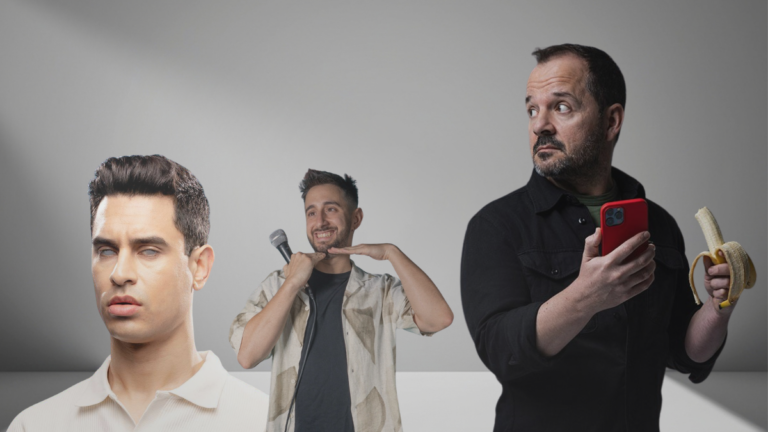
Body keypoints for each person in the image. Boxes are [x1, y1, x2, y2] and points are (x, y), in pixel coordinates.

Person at [460, 44, 734, 431]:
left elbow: (683, 353)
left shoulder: (659, 224)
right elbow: (500, 352)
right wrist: (585, 296)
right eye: (532, 110)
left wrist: (718, 309)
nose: (539, 126)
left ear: (611, 122)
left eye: (561, 107)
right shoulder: (496, 225)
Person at [8, 155, 268, 431]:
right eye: (106, 251)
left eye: (149, 251)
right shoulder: (34, 425)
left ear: (199, 267)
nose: (119, 274)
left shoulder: (266, 422)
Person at [230, 169, 453, 432]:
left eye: (331, 209)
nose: (320, 221)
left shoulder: (380, 291)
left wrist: (392, 253)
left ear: (356, 218)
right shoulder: (277, 286)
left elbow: (438, 319)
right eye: (311, 212)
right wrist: (292, 283)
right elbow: (247, 356)